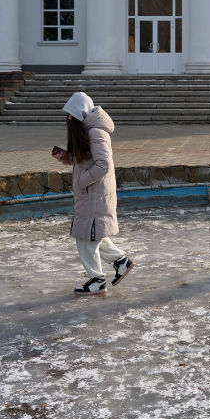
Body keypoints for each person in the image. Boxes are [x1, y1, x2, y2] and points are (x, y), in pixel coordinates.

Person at [53, 92, 134, 295]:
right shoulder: (88, 132)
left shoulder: (96, 133)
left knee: (85, 239)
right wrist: (66, 157)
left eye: (71, 114)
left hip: (94, 196)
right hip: (90, 195)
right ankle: (121, 261)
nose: (68, 119)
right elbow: (87, 161)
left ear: (80, 114)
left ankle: (97, 280)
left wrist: (81, 181)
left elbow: (103, 165)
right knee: (93, 235)